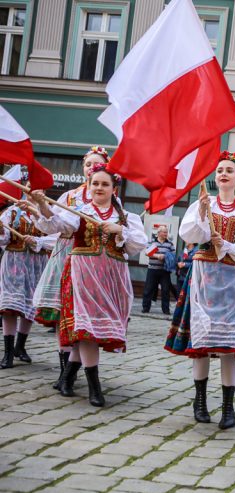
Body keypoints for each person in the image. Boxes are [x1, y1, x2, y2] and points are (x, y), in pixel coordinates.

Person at [24, 164, 147, 406]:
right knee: (88, 329)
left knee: (95, 330)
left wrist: (119, 230)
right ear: (89, 187)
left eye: (104, 184)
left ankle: (67, 378)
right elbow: (56, 226)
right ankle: (94, 387)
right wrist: (41, 205)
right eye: (95, 184)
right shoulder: (78, 211)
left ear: (114, 189)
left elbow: (138, 244)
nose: (99, 188)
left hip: (112, 278)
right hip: (83, 274)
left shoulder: (125, 217)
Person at [165, 152, 235, 429]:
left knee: (228, 348)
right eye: (219, 170)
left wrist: (229, 246)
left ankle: (229, 408)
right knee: (201, 345)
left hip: (232, 280)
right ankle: (200, 401)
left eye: (229, 170)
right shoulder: (203, 204)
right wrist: (200, 213)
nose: (222, 174)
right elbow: (189, 236)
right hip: (203, 279)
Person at [33, 146, 104, 385]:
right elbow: (51, 225)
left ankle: (74, 371)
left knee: (84, 315)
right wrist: (42, 205)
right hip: (65, 257)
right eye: (87, 165)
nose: (90, 169)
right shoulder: (70, 197)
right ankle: (65, 373)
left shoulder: (108, 198)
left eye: (96, 164)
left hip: (92, 262)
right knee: (63, 313)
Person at [0, 191, 55, 369]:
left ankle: (20, 347)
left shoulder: (48, 212)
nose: (33, 191)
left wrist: (39, 242)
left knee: (31, 304)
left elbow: (57, 236)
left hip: (37, 262)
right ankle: (7, 353)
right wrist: (1, 229)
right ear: (24, 189)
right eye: (30, 186)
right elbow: (4, 239)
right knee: (10, 306)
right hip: (14, 261)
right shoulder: (12, 211)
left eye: (38, 188)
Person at [142, 225, 175, 314]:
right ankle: (145, 308)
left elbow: (173, 256)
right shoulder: (152, 243)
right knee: (148, 289)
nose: (166, 234)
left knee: (165, 290)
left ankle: (166, 310)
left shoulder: (170, 244)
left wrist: (166, 256)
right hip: (152, 269)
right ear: (159, 233)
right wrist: (157, 256)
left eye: (166, 232)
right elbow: (147, 253)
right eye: (164, 232)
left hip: (165, 271)